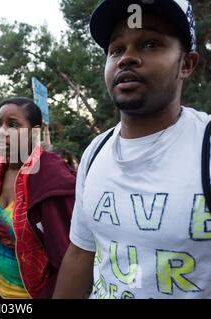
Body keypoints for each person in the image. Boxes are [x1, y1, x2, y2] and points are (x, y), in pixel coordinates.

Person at [52, 0, 205, 299]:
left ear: (186, 64)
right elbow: (81, 254)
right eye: (116, 49)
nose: (127, 59)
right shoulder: (96, 152)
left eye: (150, 44)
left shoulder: (206, 147)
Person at [0, 97, 76, 299]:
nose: (0, 132)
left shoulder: (52, 178)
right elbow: (3, 232)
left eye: (13, 125)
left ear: (34, 132)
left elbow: (67, 256)